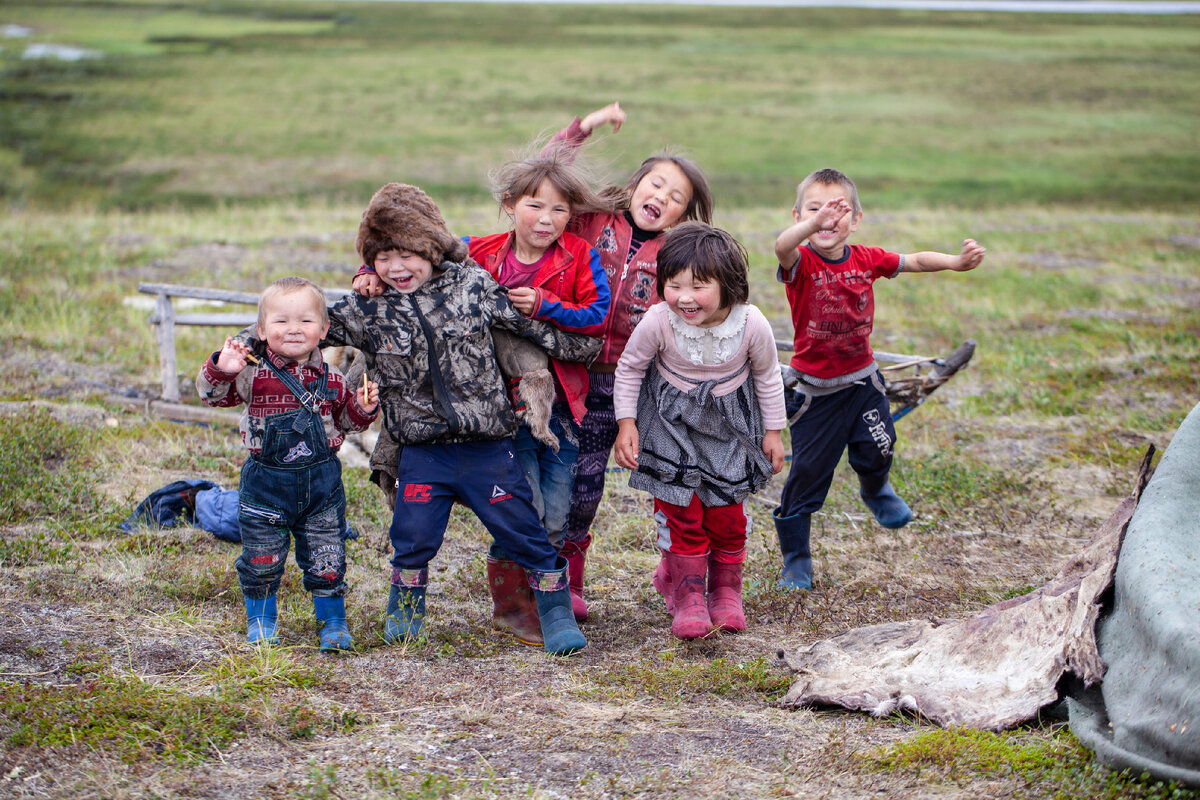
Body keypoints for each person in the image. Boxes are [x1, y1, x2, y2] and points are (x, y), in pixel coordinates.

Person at [324, 182, 600, 656]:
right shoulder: (370, 307)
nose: (397, 268)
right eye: (383, 257)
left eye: (407, 253)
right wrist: (253, 343)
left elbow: (521, 326)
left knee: (525, 530)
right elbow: (310, 323)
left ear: (431, 248)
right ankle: (405, 610)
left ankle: (553, 611)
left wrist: (582, 348)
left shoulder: (470, 285)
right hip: (423, 452)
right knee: (412, 536)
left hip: (486, 447)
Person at [772, 167, 986, 591]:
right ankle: (796, 558)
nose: (827, 219)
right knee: (808, 473)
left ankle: (876, 489)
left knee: (879, 444)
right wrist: (809, 227)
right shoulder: (801, 262)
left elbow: (916, 260)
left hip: (864, 383)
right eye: (815, 210)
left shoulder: (867, 259)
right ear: (798, 215)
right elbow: (781, 245)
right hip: (817, 394)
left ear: (856, 219)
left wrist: (956, 263)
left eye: (838, 211)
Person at [547, 102, 716, 621]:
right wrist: (585, 126)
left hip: (631, 381)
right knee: (571, 479)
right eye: (656, 184)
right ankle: (558, 575)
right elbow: (550, 173)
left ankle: (675, 570)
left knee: (632, 478)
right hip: (570, 374)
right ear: (635, 183)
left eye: (675, 198)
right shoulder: (589, 218)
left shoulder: (677, 252)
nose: (661, 198)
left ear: (683, 215)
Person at [612, 222, 785, 639]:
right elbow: (630, 367)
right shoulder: (659, 320)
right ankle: (689, 594)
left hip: (729, 429)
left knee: (726, 515)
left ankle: (726, 592)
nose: (684, 298)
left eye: (699, 286)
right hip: (670, 426)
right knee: (681, 510)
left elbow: (768, 375)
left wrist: (774, 432)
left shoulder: (751, 324)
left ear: (729, 285)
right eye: (674, 285)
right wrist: (627, 423)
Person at [197, 277, 379, 651]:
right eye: (281, 322)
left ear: (325, 330)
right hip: (266, 484)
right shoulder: (250, 373)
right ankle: (262, 620)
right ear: (261, 330)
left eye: (306, 321)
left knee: (327, 556)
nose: (294, 329)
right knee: (261, 558)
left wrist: (363, 409)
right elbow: (211, 396)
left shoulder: (334, 379)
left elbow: (347, 423)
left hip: (322, 486)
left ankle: (333, 622)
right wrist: (221, 367)